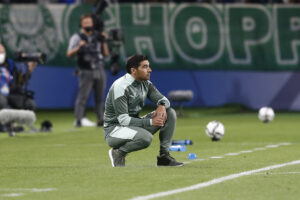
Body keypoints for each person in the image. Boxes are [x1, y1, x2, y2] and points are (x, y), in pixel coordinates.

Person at [103, 54, 184, 167]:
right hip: (114, 130)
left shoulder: (146, 83)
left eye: (148, 66)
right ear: (133, 70)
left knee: (170, 112)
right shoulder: (120, 87)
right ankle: (118, 153)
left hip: (133, 124)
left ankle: (164, 157)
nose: (149, 70)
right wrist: (151, 122)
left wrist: (161, 105)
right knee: (146, 138)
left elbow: (165, 100)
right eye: (145, 67)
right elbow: (123, 120)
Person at [67, 14, 109, 127]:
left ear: (93, 24)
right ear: (81, 24)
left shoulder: (98, 36)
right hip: (86, 69)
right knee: (83, 96)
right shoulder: (77, 37)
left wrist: (104, 41)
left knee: (100, 96)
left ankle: (101, 119)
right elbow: (69, 53)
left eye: (89, 23)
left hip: (99, 68)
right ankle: (79, 119)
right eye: (85, 23)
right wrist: (79, 47)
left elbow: (105, 54)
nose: (88, 25)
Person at [0, 43, 36, 111]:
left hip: (10, 93)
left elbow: (19, 84)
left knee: (29, 104)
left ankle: (14, 120)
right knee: (1, 101)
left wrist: (29, 71)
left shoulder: (9, 64)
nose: (1, 55)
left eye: (2, 53)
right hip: (1, 97)